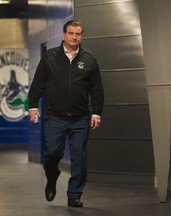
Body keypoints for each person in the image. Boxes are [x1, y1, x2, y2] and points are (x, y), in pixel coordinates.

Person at [28, 20, 104, 208]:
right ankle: (52, 178)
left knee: (79, 157)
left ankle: (74, 195)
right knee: (52, 153)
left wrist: (96, 112)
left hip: (80, 118)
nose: (74, 37)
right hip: (55, 116)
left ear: (81, 36)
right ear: (64, 35)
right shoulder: (50, 57)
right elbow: (37, 84)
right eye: (71, 33)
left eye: (78, 34)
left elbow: (96, 89)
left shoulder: (89, 59)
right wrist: (32, 106)